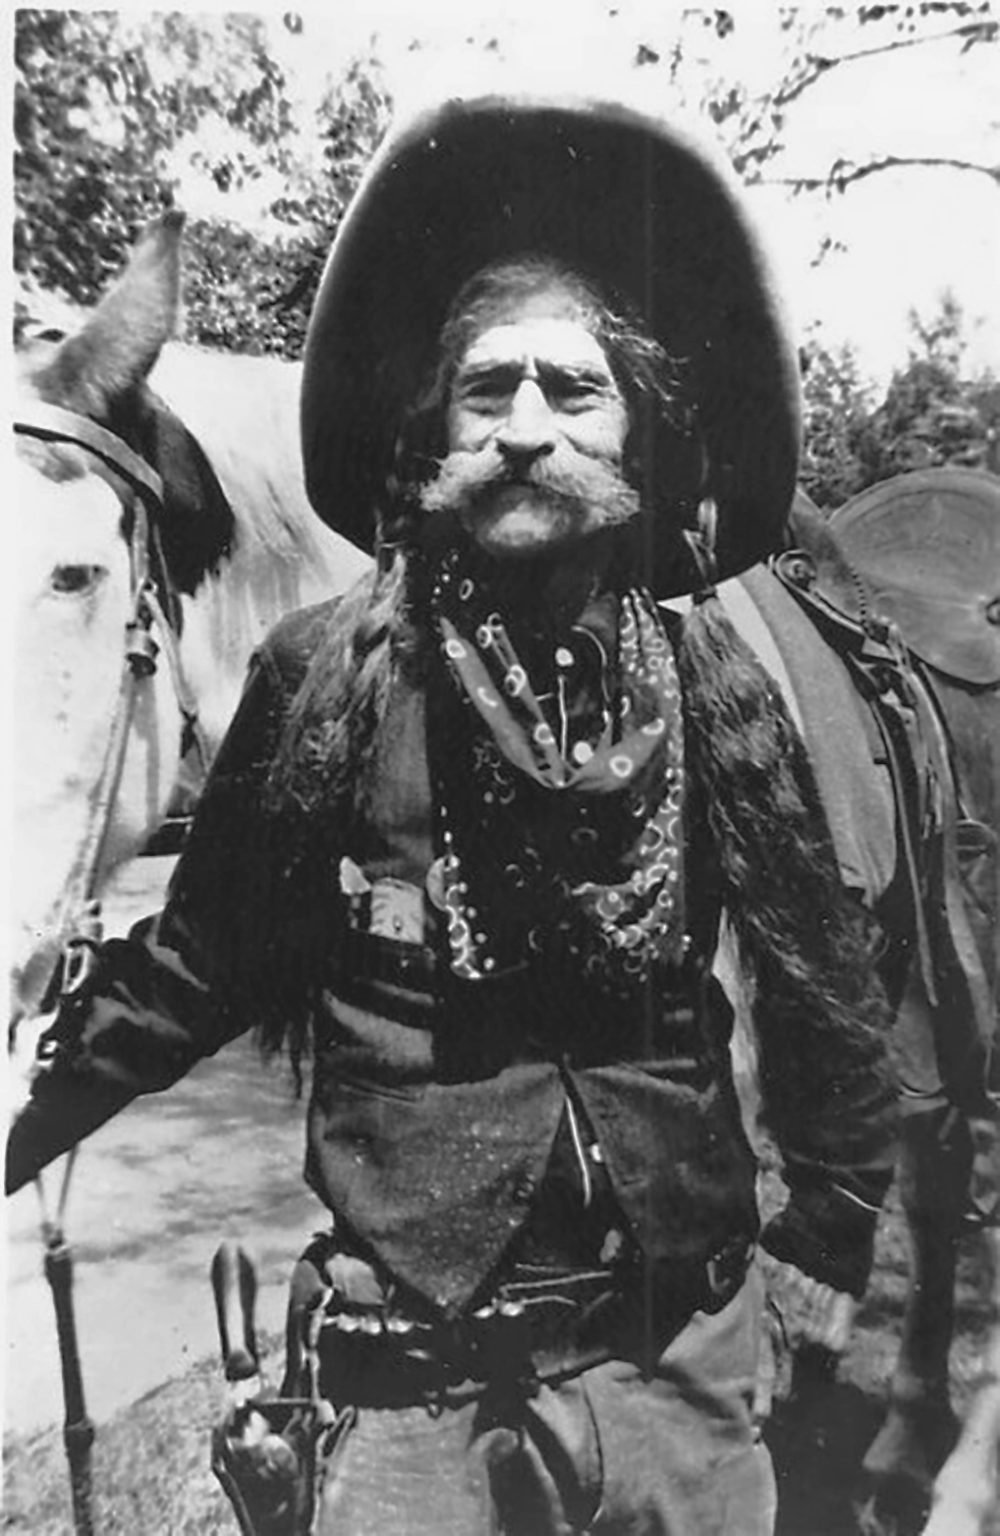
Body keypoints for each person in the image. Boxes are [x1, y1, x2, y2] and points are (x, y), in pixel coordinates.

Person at [7, 93, 899, 1534]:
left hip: (676, 1365)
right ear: (431, 432)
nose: (529, 431)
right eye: (488, 393)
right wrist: (25, 1120)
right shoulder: (328, 674)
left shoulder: (707, 680)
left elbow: (824, 985)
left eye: (573, 389)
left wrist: (829, 1249)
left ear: (638, 430)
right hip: (411, 1394)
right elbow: (201, 964)